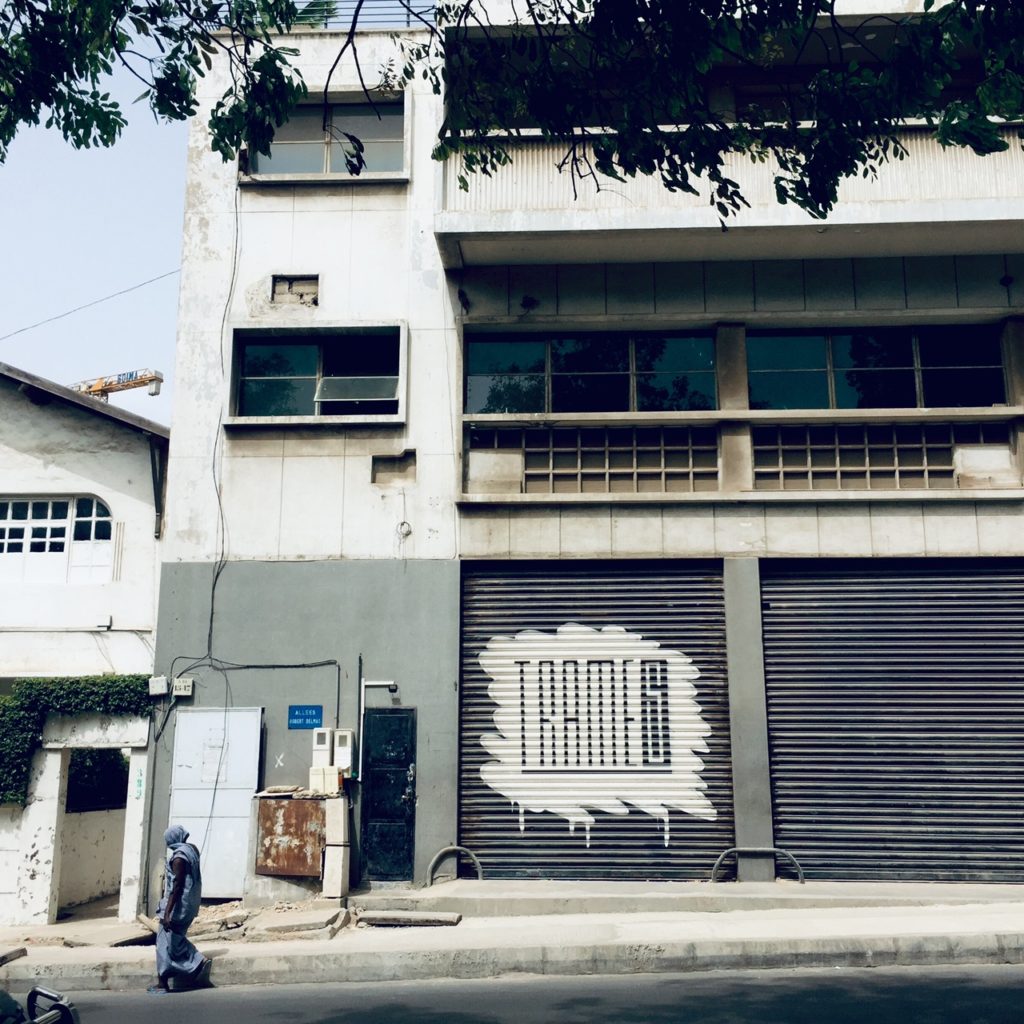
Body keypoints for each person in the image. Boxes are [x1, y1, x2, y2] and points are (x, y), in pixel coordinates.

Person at [148, 825, 212, 994]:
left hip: (178, 905)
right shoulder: (192, 849)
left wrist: (167, 913)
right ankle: (194, 963)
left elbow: (177, 886)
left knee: (163, 942)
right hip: (191, 903)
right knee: (175, 939)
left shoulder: (178, 858)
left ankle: (165, 981)